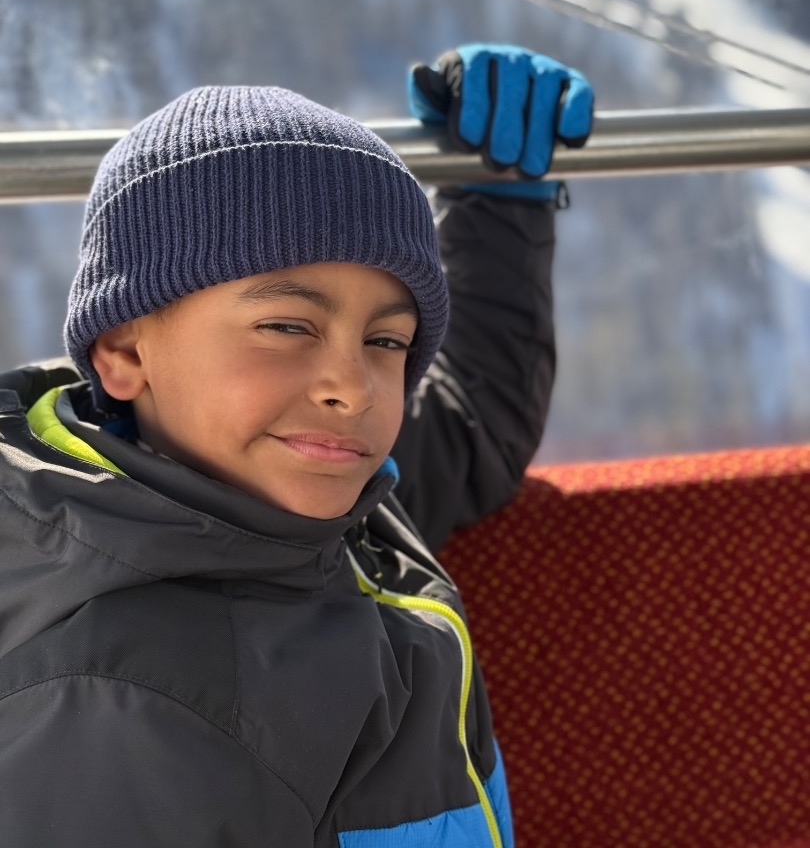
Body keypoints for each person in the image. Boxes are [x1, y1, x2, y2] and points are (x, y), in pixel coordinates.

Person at [0, 44, 592, 847]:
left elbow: (468, 429)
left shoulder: (325, 508)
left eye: (386, 341)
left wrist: (501, 199)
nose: (352, 387)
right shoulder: (116, 709)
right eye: (286, 326)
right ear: (125, 352)